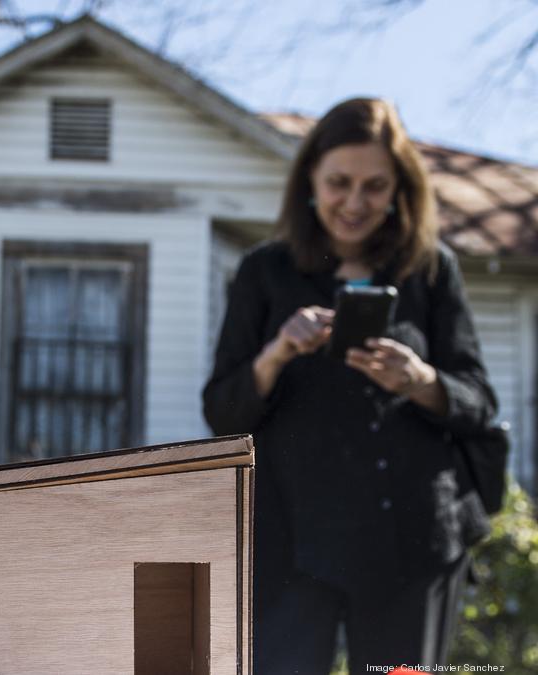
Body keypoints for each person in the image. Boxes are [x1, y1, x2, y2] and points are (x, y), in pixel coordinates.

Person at [202, 97, 498, 673]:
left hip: (412, 543)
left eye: (374, 186)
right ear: (310, 179)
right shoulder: (265, 272)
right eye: (340, 183)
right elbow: (221, 412)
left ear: (399, 190)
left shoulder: (431, 268)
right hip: (290, 546)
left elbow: (479, 401)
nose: (355, 203)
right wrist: (277, 353)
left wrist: (420, 380)